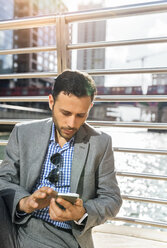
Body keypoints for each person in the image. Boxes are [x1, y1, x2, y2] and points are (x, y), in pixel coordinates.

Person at [0, 70, 122, 248]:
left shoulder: (100, 143)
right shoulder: (23, 133)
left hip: (66, 237)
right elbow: (4, 180)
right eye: (65, 113)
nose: (72, 124)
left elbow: (112, 199)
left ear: (90, 108)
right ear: (51, 102)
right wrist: (25, 202)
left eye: (81, 115)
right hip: (17, 228)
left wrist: (81, 213)